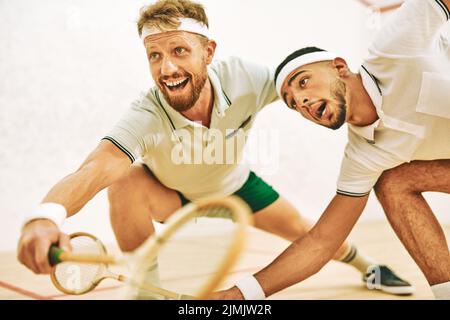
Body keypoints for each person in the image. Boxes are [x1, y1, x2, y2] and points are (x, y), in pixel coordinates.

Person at [16, 0, 412, 299]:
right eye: (155, 55)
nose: (166, 68)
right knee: (125, 182)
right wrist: (45, 216)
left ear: (208, 52)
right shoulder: (147, 112)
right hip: (172, 194)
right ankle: (147, 290)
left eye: (179, 51)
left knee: (310, 235)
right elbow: (97, 166)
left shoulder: (249, 79)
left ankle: (368, 267)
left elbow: (306, 85)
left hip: (235, 186)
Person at [213, 0, 450, 300]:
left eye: (303, 82)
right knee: (392, 182)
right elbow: (321, 242)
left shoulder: (392, 48)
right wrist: (239, 294)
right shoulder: (362, 155)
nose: (302, 102)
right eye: (292, 102)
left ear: (340, 68)